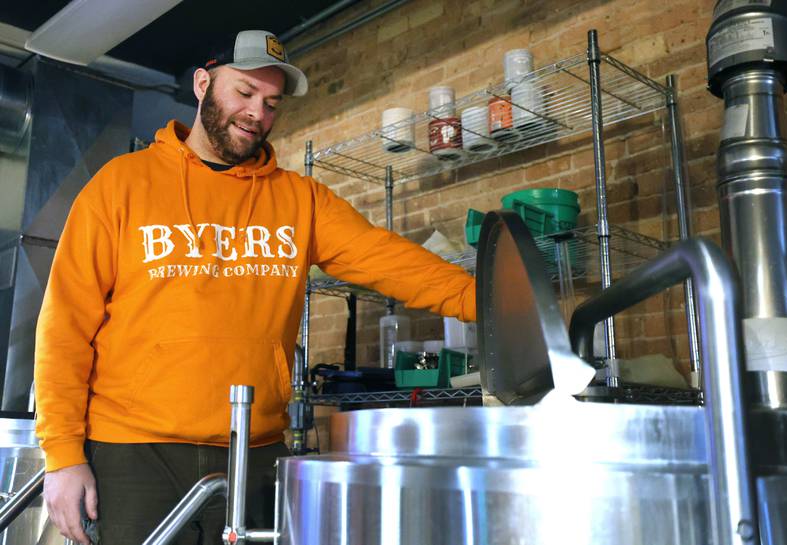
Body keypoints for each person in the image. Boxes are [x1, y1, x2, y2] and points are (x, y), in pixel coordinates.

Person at [34, 30, 475, 545]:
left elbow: (394, 263)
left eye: (271, 103)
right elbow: (65, 324)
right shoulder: (120, 185)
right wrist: (63, 455)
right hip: (134, 454)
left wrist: (487, 302)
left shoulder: (300, 201)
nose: (257, 114)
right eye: (243, 93)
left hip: (256, 455)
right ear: (203, 83)